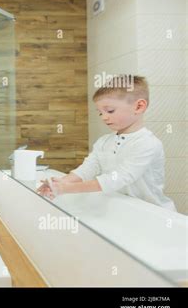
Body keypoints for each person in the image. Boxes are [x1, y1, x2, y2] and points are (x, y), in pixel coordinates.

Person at [37, 75, 176, 212]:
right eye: (100, 113)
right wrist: (61, 182)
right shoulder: (104, 141)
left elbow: (118, 178)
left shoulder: (147, 144)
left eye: (110, 111)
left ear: (139, 106)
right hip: (123, 209)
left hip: (153, 214)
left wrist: (66, 189)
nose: (104, 117)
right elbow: (88, 168)